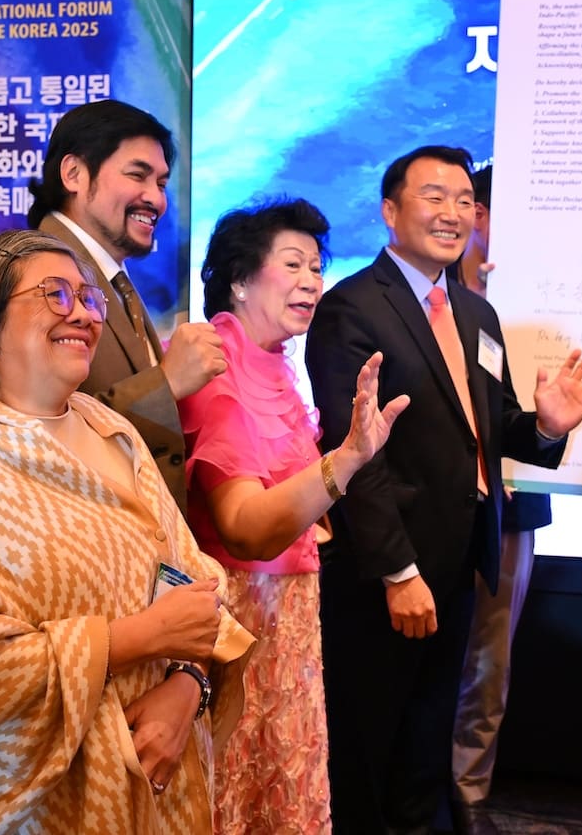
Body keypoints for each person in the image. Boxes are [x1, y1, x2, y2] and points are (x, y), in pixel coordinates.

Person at [0, 228, 253, 833]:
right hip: (34, 811)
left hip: (155, 784)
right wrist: (137, 638)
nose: (81, 313)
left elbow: (196, 584)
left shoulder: (109, 428)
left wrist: (187, 684)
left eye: (88, 297)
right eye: (54, 295)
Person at [304, 145, 582, 834]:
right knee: (370, 748)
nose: (452, 212)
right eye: (432, 196)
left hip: (458, 561)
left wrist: (547, 427)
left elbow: (489, 428)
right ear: (390, 211)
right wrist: (397, 570)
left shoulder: (476, 313)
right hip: (388, 570)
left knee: (424, 744)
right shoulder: (351, 309)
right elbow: (355, 454)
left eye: (464, 200)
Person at [178, 198, 408, 834]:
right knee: (238, 790)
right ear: (241, 279)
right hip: (241, 620)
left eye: (317, 266)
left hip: (289, 617)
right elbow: (245, 527)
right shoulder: (216, 367)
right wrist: (349, 459)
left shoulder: (275, 364)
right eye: (293, 264)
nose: (312, 281)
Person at [26, 100, 226, 512]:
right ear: (74, 174)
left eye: (163, 183)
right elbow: (37, 432)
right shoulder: (33, 271)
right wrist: (165, 385)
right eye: (138, 175)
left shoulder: (113, 278)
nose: (155, 198)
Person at [449, 165, 555, 819]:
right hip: (431, 507)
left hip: (512, 509)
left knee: (488, 665)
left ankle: (466, 796)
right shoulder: (430, 295)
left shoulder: (553, 286)